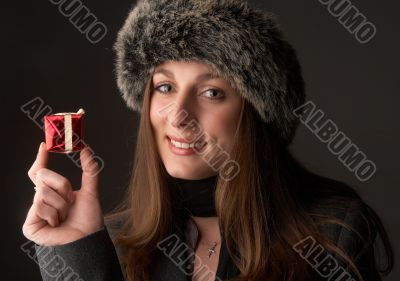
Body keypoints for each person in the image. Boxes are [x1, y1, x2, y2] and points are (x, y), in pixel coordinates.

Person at [22, 0, 394, 281]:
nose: (178, 114)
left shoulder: (331, 236)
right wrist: (79, 250)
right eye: (165, 87)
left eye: (212, 92)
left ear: (254, 113)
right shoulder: (114, 242)